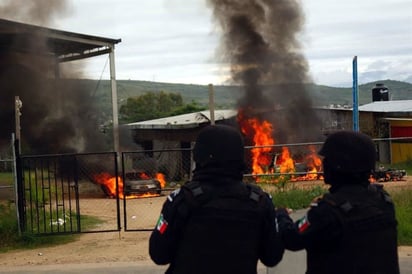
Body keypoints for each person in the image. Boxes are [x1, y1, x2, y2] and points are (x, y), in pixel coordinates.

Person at [149, 124, 285, 274]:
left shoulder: (182, 199)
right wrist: (281, 217)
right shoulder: (259, 201)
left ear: (199, 155)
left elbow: (159, 254)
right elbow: (272, 257)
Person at [277, 130, 400, 274]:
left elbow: (292, 239)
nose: (324, 165)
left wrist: (281, 215)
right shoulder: (383, 200)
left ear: (337, 166)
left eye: (327, 160)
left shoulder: (328, 211)